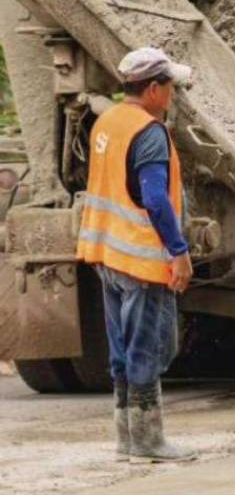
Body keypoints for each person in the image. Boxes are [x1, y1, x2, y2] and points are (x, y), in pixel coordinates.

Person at [76, 47, 195, 463]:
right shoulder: (149, 132)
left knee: (121, 351)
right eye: (171, 88)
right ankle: (148, 441)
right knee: (149, 350)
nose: (174, 95)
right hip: (142, 259)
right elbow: (154, 199)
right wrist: (178, 251)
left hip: (107, 254)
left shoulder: (107, 122)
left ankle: (127, 440)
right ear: (154, 89)